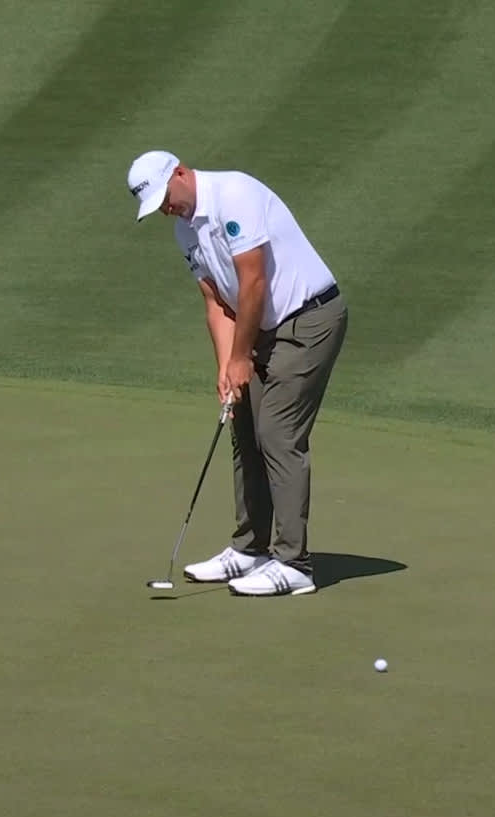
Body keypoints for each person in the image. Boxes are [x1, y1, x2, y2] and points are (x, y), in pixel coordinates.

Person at [127, 149, 348, 596]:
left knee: (278, 433)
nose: (166, 209)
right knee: (242, 423)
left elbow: (254, 282)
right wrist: (227, 368)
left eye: (165, 197)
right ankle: (251, 549)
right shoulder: (184, 232)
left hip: (309, 318)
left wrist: (242, 356)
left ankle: (294, 564)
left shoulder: (236, 195)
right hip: (261, 324)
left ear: (181, 174)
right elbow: (216, 303)